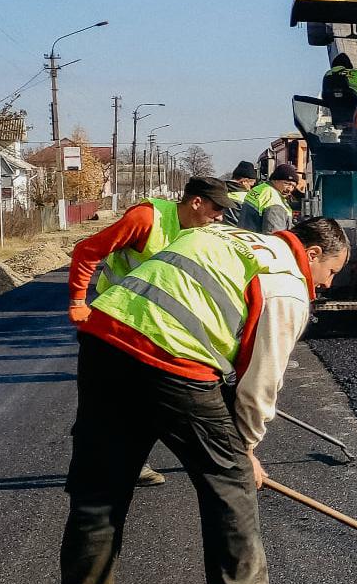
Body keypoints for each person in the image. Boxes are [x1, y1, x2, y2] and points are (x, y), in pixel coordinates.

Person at [47, 217, 351, 584]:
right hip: (173, 363)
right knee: (230, 484)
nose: (327, 283)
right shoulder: (287, 284)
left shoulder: (223, 234)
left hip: (105, 345)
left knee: (100, 495)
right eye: (331, 271)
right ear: (310, 253)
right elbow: (259, 384)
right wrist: (244, 452)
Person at [66, 177, 237, 486]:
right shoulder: (147, 218)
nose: (220, 218)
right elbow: (88, 250)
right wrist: (79, 300)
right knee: (104, 399)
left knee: (145, 399)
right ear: (195, 202)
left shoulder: (205, 233)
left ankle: (132, 461)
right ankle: (90, 470)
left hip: (160, 329)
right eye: (216, 210)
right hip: (117, 323)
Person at [235, 162, 300, 234]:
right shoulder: (273, 198)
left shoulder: (261, 189)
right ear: (275, 180)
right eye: (287, 183)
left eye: (293, 186)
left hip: (246, 238)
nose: (290, 189)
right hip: (260, 243)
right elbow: (275, 234)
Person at [322, 52, 357, 125]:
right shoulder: (355, 73)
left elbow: (324, 95)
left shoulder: (327, 75)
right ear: (349, 65)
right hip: (355, 113)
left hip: (335, 116)